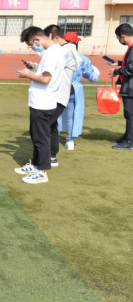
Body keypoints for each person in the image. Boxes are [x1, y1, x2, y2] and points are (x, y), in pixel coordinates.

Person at [15, 27, 65, 184]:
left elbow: (45, 79)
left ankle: (42, 171)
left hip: (43, 102)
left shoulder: (51, 53)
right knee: (36, 135)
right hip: (41, 101)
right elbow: (45, 74)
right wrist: (33, 70)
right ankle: (36, 165)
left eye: (31, 45)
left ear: (37, 39)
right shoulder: (52, 51)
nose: (32, 48)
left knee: (40, 138)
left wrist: (27, 74)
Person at [40, 25, 77, 164]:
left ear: (55, 37)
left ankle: (42, 160)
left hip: (59, 95)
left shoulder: (66, 50)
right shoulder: (63, 50)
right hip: (56, 94)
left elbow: (52, 67)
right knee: (52, 125)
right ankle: (51, 156)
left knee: (43, 126)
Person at [57, 32, 100, 151]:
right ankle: (70, 140)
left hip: (58, 88)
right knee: (71, 116)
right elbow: (92, 77)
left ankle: (54, 137)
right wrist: (96, 72)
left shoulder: (58, 55)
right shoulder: (81, 58)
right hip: (73, 89)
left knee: (55, 114)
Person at [108, 23, 133, 150]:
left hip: (131, 87)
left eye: (118, 38)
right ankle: (127, 137)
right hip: (129, 86)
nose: (119, 40)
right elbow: (129, 64)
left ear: (123, 36)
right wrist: (118, 63)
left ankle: (130, 142)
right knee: (128, 114)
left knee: (130, 115)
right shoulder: (131, 48)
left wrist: (116, 71)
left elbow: (131, 68)